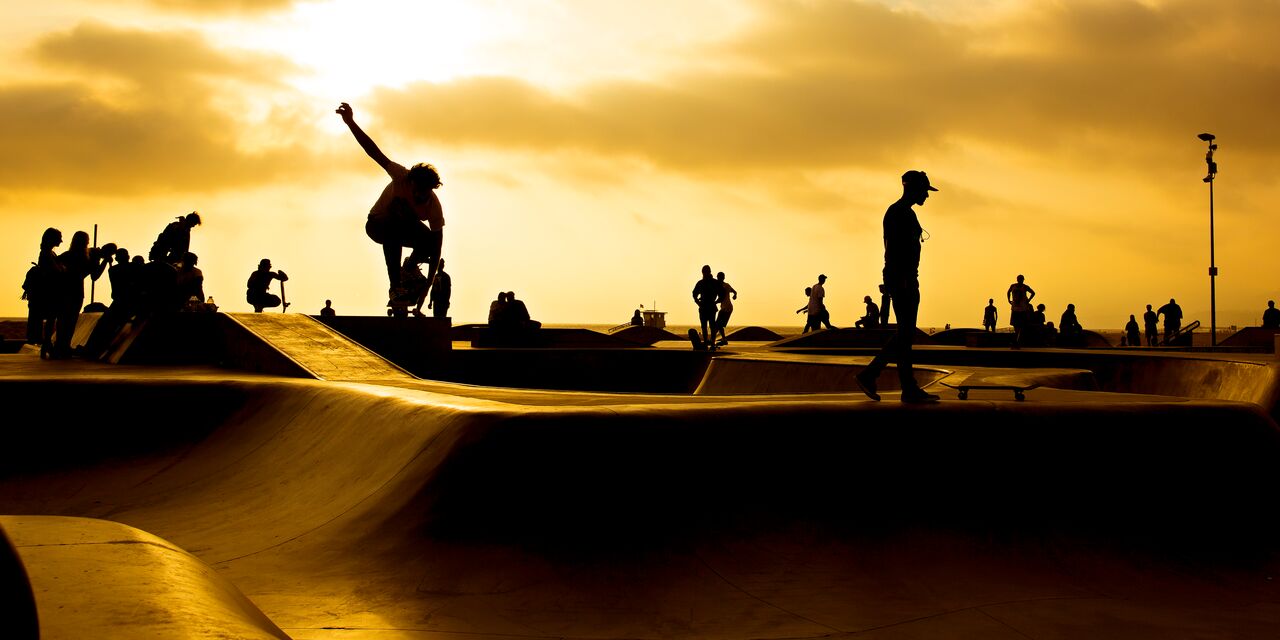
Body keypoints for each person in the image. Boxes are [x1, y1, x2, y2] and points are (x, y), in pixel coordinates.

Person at [337, 102, 444, 305]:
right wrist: (350, 122)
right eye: (416, 191)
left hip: (403, 229)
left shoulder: (433, 206)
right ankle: (395, 287)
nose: (419, 196)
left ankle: (409, 268)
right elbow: (373, 152)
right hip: (377, 225)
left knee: (429, 240)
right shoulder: (400, 175)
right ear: (410, 181)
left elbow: (437, 249)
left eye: (424, 193)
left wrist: (426, 290)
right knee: (395, 223)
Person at [856, 170, 941, 403]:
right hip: (902, 278)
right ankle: (870, 374)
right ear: (913, 188)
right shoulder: (898, 213)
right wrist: (898, 279)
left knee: (906, 334)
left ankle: (908, 388)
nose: (927, 195)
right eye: (925, 190)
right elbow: (892, 250)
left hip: (906, 277)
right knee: (905, 332)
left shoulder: (906, 213)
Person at [52, 231, 110, 358]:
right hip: (76, 291)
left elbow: (55, 266)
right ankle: (64, 346)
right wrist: (104, 261)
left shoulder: (68, 255)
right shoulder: (88, 258)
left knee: (63, 320)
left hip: (64, 291)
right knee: (71, 321)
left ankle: (60, 346)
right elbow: (95, 276)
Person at [25, 228, 62, 350]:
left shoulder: (49, 253)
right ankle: (46, 343)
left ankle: (46, 342)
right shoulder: (46, 253)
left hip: (46, 292)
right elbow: (54, 271)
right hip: (46, 293)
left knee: (48, 318)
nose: (61, 241)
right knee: (49, 317)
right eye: (58, 238)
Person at [691, 265, 722, 344]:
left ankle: (712, 343)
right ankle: (708, 342)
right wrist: (699, 303)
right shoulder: (702, 283)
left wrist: (716, 301)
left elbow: (722, 294)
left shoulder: (713, 282)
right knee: (706, 326)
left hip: (709, 306)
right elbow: (694, 294)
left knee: (711, 326)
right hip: (705, 306)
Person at [1007, 274, 1035, 349]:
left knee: (1021, 327)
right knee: (1016, 326)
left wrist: (1028, 300)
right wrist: (1009, 300)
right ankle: (1016, 342)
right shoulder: (1013, 286)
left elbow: (1033, 293)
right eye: (1019, 279)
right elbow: (1008, 292)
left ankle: (1017, 342)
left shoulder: (1025, 287)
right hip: (1015, 309)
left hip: (1022, 309)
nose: (1020, 280)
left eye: (1021, 279)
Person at [714, 271, 737, 346]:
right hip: (727, 307)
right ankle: (721, 339)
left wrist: (714, 302)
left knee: (718, 324)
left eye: (719, 277)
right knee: (718, 324)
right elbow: (734, 291)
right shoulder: (726, 285)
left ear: (722, 278)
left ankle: (719, 339)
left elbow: (722, 297)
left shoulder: (723, 286)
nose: (718, 279)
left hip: (726, 308)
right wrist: (734, 295)